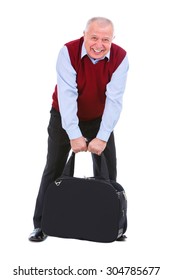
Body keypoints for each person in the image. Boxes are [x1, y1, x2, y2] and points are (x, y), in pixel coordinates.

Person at [29, 16, 129, 242]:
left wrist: (102, 137)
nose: (99, 44)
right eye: (94, 37)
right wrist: (74, 134)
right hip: (64, 116)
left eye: (106, 39)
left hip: (99, 117)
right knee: (53, 169)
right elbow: (67, 97)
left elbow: (114, 100)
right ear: (84, 34)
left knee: (107, 171)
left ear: (113, 39)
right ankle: (41, 224)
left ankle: (110, 222)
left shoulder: (121, 58)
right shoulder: (68, 52)